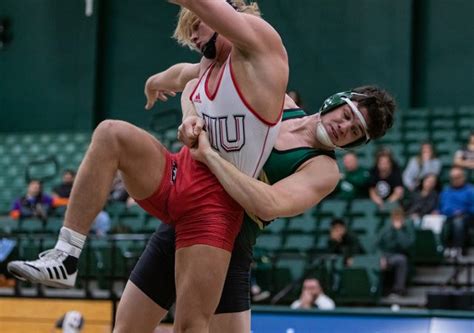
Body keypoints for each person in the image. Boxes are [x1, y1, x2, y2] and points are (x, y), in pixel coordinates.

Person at [9, 1, 288, 332]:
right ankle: (65, 256)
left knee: (190, 326)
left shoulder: (260, 44)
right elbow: (177, 74)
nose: (195, 38)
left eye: (197, 26)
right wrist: (153, 84)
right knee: (111, 133)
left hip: (214, 203)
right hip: (178, 175)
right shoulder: (207, 66)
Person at [114, 84, 395, 333]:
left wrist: (210, 157)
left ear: (355, 143)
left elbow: (267, 203)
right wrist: (178, 101)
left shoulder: (324, 170)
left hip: (232, 245)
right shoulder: (279, 102)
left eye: (354, 131)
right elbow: (197, 80)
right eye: (347, 116)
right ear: (337, 101)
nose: (344, 128)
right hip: (186, 219)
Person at [376, 207, 415, 297]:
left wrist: (399, 230)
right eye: (395, 217)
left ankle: (399, 290)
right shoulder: (386, 228)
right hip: (385, 255)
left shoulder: (407, 228)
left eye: (399, 217)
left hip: (399, 255)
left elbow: (407, 245)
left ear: (403, 218)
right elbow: (377, 244)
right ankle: (376, 291)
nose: (397, 220)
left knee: (401, 260)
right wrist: (380, 257)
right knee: (374, 261)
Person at [438, 166, 474, 257]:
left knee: (458, 222)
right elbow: (442, 207)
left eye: (457, 177)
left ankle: (458, 248)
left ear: (463, 177)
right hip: (448, 215)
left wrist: (463, 211)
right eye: (452, 178)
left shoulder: (470, 190)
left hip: (466, 216)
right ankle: (441, 248)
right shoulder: (446, 191)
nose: (455, 180)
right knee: (437, 222)